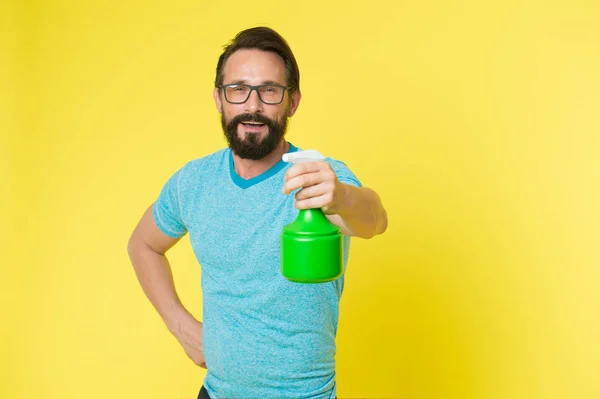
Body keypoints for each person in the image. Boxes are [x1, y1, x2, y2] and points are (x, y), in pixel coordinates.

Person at [127, 26, 388, 399]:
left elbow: (375, 220)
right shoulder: (194, 182)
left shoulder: (316, 175)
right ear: (219, 99)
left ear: (292, 102)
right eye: (238, 90)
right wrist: (180, 326)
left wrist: (341, 197)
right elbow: (143, 245)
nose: (253, 106)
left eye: (269, 91)